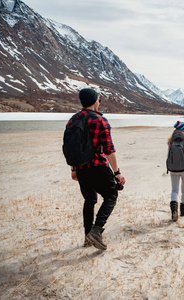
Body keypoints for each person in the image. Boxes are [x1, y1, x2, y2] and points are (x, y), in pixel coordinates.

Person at [66, 88, 125, 250]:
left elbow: (71, 146)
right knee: (111, 196)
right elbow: (109, 150)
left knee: (89, 200)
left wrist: (73, 168)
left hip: (81, 168)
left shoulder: (73, 119)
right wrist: (117, 172)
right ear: (94, 101)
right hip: (98, 167)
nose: (99, 102)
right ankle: (96, 231)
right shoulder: (100, 120)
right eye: (98, 99)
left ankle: (87, 237)